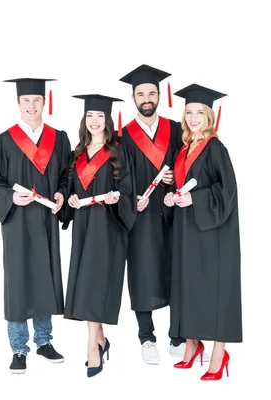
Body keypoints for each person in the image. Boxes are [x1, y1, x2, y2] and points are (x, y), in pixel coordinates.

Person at [0, 77, 71, 374]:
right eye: (26, 101)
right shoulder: (4, 140)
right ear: (18, 103)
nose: (32, 106)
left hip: (45, 220)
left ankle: (44, 342)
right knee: (19, 281)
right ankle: (19, 348)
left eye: (37, 100)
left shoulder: (59, 138)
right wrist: (10, 197)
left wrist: (61, 193)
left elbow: (66, 177)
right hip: (17, 222)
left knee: (44, 277)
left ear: (45, 102)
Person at [164, 83, 242, 381]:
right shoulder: (184, 148)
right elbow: (181, 185)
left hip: (212, 232)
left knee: (214, 288)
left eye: (199, 112)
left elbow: (228, 191)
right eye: (189, 112)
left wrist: (194, 198)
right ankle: (193, 345)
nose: (193, 117)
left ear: (210, 116)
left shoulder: (215, 147)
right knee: (188, 286)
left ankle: (219, 355)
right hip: (187, 230)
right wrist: (171, 196)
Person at [118, 64, 191, 364]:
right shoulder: (123, 136)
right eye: (140, 94)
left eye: (151, 93)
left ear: (160, 95)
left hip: (173, 215)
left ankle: (179, 335)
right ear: (133, 97)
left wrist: (178, 179)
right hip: (142, 217)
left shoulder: (176, 129)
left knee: (177, 272)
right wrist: (130, 199)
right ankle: (146, 337)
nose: (146, 98)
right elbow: (118, 178)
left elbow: (188, 164)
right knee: (142, 272)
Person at [62, 94, 137, 378]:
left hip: (107, 226)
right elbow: (72, 190)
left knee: (94, 283)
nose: (95, 122)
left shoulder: (118, 151)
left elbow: (127, 189)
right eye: (90, 116)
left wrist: (116, 196)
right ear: (84, 120)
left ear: (108, 120)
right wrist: (69, 200)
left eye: (100, 117)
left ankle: (92, 347)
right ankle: (101, 340)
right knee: (84, 283)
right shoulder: (77, 153)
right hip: (83, 224)